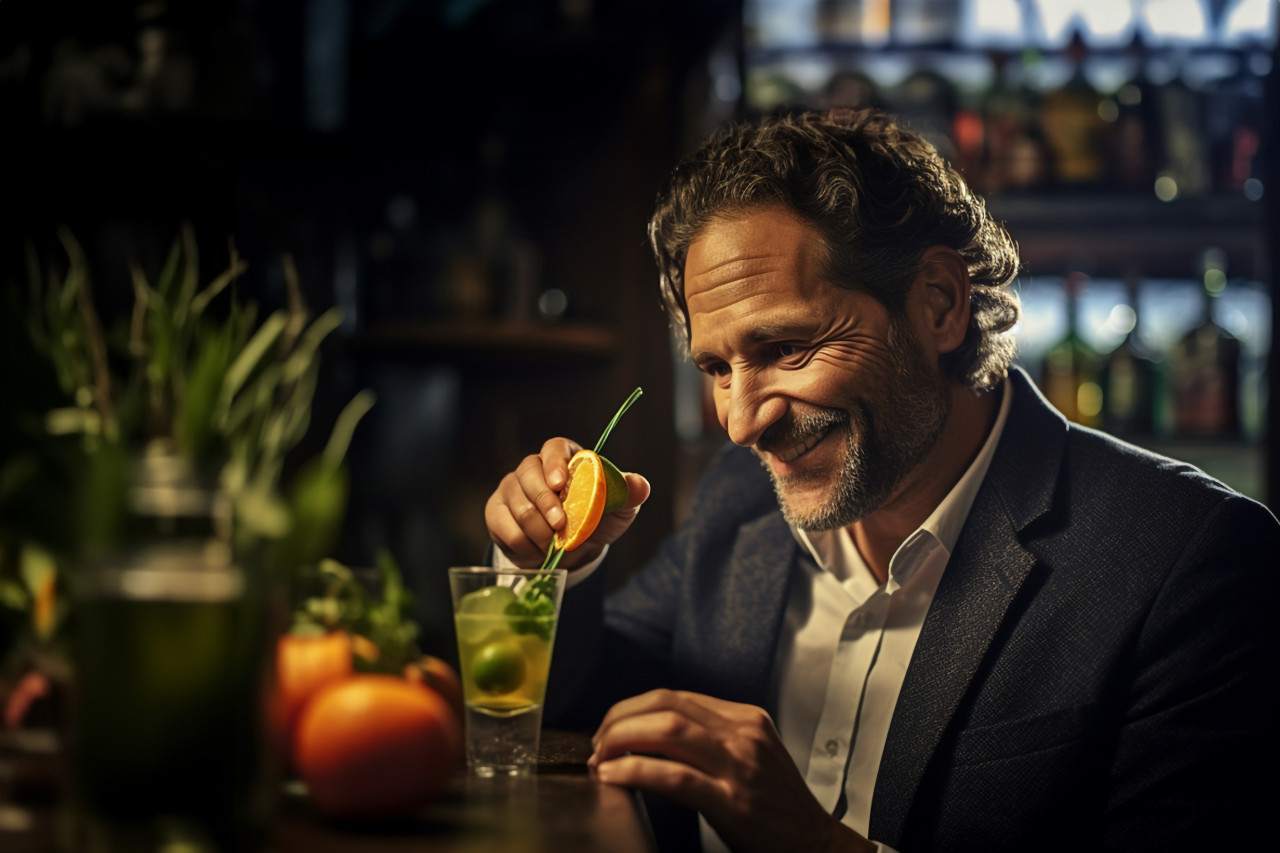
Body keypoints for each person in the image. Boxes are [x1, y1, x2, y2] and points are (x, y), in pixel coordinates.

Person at [482, 108, 1279, 852]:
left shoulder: (1196, 561)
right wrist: (547, 561)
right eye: (718, 367)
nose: (742, 421)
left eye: (787, 348)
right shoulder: (740, 496)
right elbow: (573, 702)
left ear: (938, 303)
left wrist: (813, 842)